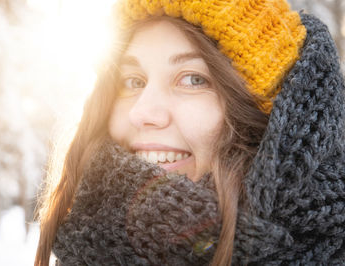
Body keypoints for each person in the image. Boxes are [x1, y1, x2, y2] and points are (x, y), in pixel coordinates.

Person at [35, 0, 345, 265]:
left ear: (271, 118)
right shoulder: (86, 240)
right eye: (133, 81)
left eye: (193, 80)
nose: (142, 113)